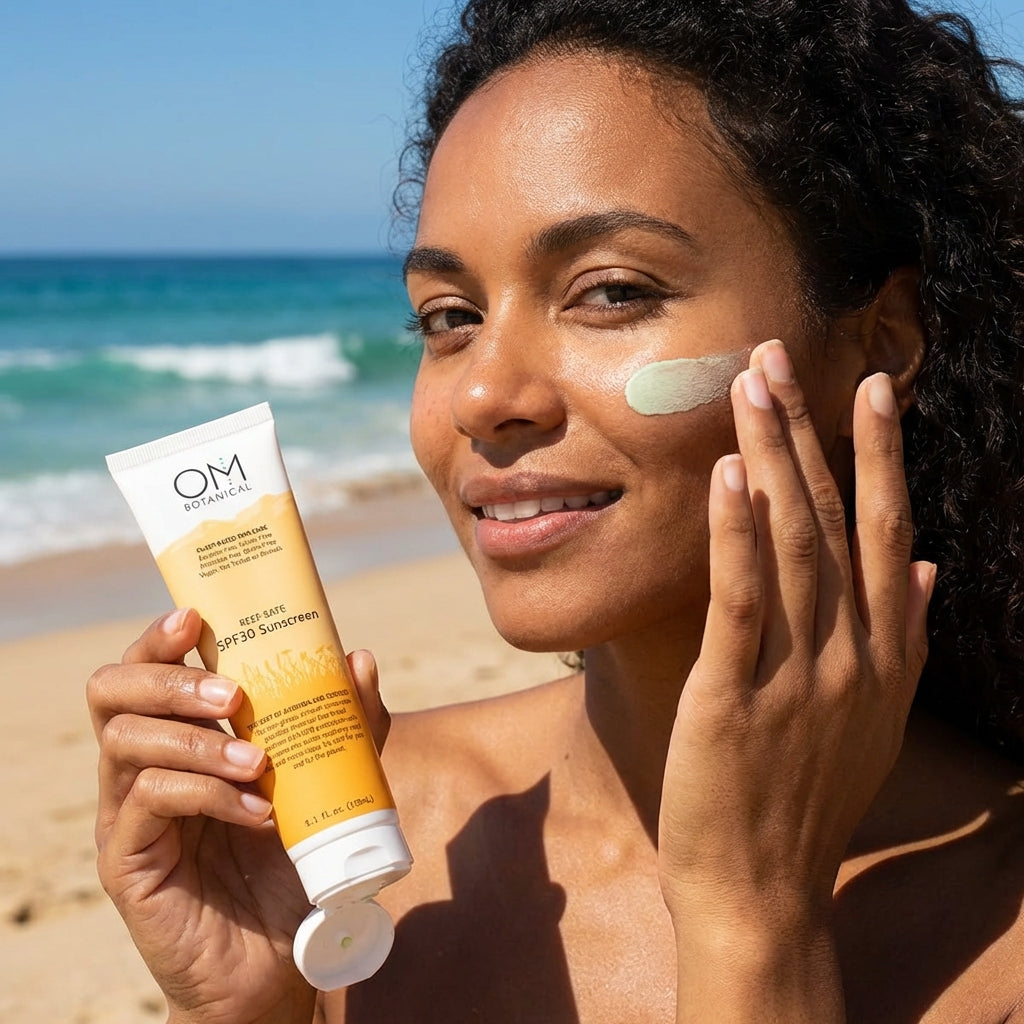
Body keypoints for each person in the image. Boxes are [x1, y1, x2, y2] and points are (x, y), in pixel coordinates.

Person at [87, 1, 1024, 1021]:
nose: (483, 396)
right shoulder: (370, 847)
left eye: (609, 292)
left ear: (881, 341)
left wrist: (753, 922)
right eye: (449, 317)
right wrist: (246, 1012)